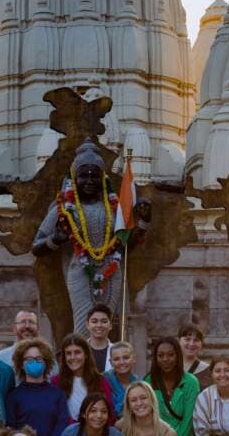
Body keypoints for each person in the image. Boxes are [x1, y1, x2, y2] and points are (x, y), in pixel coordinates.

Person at [31, 138, 150, 336]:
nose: (89, 181)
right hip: (80, 271)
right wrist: (56, 239)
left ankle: (106, 366)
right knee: (83, 326)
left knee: (106, 326)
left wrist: (144, 223)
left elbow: (125, 246)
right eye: (83, 176)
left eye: (94, 176)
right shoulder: (64, 209)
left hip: (111, 269)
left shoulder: (115, 209)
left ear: (102, 179)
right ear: (74, 179)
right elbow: (36, 246)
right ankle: (81, 366)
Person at [52, 333, 114, 423]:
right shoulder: (56, 382)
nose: (73, 357)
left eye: (77, 352)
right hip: (68, 433)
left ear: (86, 355)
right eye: (68, 353)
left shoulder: (100, 381)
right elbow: (56, 414)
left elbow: (110, 412)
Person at [0, 309, 44, 378]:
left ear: (38, 328)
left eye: (31, 322)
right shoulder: (0, 358)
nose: (27, 326)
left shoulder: (48, 357)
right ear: (14, 328)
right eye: (22, 322)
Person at [104, 341, 139, 416]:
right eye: (116, 359)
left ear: (134, 359)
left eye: (126, 358)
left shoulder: (139, 384)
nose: (122, 362)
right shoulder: (103, 381)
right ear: (111, 362)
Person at [179, 324, 211, 388]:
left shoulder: (209, 370)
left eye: (196, 340)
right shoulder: (169, 367)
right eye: (187, 339)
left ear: (201, 344)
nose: (191, 344)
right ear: (179, 340)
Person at [86, 304, 114, 373]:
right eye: (94, 321)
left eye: (104, 321)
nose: (99, 325)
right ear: (87, 325)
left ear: (110, 326)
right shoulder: (79, 350)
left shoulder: (116, 351)